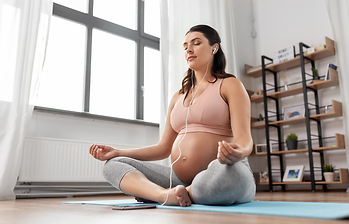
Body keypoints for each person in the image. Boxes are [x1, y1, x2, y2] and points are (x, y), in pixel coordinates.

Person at [89, 24, 255, 207]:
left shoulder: (230, 85)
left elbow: (245, 141)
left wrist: (236, 152)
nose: (189, 50)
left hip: (223, 171)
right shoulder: (178, 96)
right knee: (114, 164)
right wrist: (119, 152)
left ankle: (184, 194)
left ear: (214, 48)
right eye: (185, 47)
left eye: (196, 43)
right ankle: (165, 195)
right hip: (178, 180)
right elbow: (163, 148)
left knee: (224, 176)